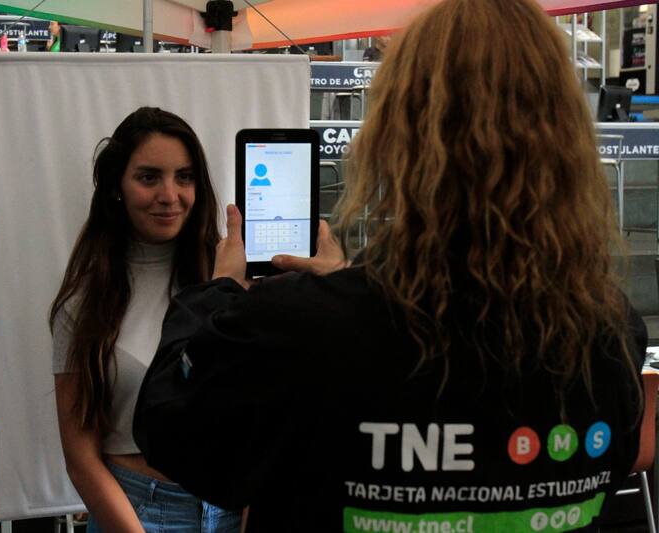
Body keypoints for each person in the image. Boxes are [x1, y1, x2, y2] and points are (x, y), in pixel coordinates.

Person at [133, 0, 647, 531]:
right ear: (568, 143)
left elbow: (173, 432)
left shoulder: (302, 330)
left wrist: (218, 291)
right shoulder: (609, 332)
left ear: (397, 140)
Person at [50, 107, 241, 532]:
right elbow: (80, 457)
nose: (170, 195)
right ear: (117, 186)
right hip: (137, 512)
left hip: (230, 509)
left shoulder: (228, 279)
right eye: (149, 177)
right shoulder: (85, 302)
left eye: (185, 177)